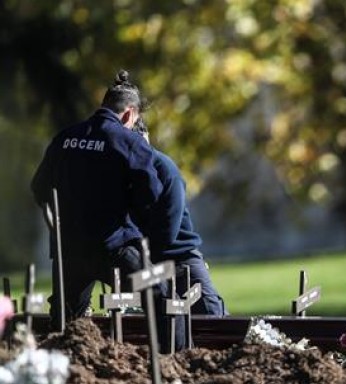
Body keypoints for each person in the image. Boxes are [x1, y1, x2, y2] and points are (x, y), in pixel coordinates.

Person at [31, 70, 184, 352]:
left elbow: (39, 189)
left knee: (66, 320)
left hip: (68, 252)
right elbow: (150, 195)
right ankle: (172, 363)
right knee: (164, 297)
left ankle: (65, 371)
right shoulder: (130, 142)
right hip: (114, 247)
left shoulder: (65, 138)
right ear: (129, 115)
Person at [131, 117, 228, 316]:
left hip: (179, 257)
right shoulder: (121, 172)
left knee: (213, 318)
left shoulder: (165, 169)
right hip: (141, 260)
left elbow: (168, 231)